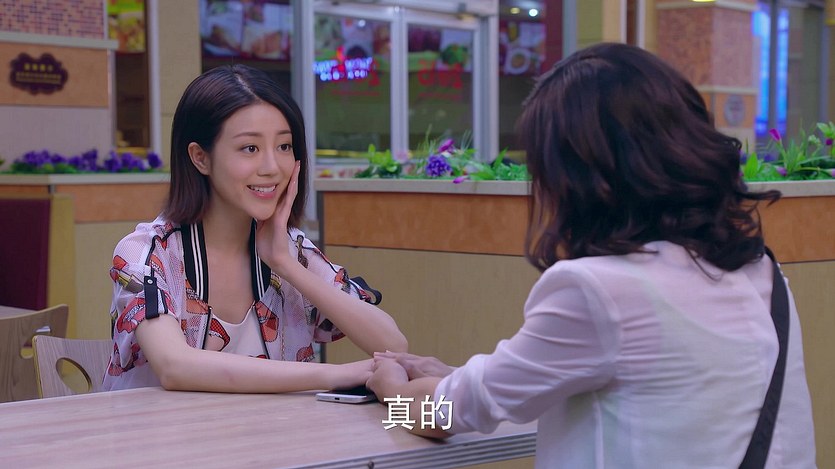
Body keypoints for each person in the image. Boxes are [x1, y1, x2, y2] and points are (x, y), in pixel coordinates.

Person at [367, 43, 816, 467]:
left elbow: (450, 414)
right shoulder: (763, 272)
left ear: (577, 176)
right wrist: (452, 373)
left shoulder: (599, 289)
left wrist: (392, 395)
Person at [103, 64, 407, 393]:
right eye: (250, 148)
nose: (272, 167)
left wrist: (285, 263)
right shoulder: (147, 253)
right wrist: (338, 374)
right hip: (159, 428)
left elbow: (392, 344)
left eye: (284, 146)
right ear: (200, 157)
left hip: (271, 428)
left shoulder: (290, 249)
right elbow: (175, 366)